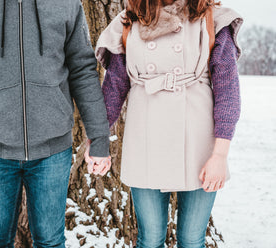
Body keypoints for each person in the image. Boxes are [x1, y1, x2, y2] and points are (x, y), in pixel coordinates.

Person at [0, 0, 112, 247]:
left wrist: (99, 138)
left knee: (50, 242)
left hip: (52, 151)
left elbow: (83, 70)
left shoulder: (66, 3)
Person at [93, 0, 243, 247]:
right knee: (150, 240)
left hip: (199, 143)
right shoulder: (129, 19)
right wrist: (97, 141)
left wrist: (220, 155)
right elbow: (113, 89)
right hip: (145, 140)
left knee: (192, 240)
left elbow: (228, 92)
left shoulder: (212, 18)